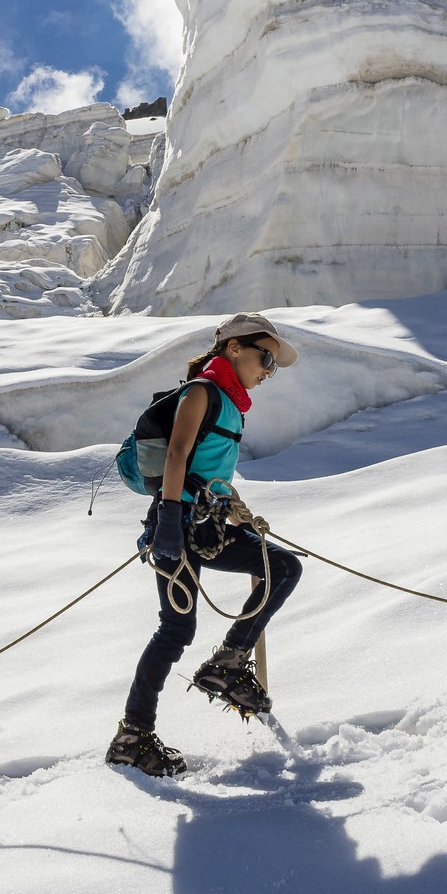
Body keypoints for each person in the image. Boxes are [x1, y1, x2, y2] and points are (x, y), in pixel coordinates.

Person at [106, 311, 304, 778]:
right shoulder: (203, 392)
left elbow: (206, 468)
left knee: (283, 567)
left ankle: (228, 663)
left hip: (208, 524)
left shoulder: (232, 404)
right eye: (265, 359)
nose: (267, 371)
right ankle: (132, 737)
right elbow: (177, 453)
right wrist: (170, 521)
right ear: (234, 348)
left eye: (272, 365)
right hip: (179, 525)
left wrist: (228, 506)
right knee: (175, 632)